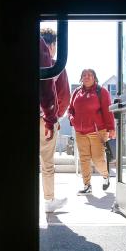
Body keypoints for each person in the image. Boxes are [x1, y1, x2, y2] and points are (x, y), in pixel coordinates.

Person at [68, 69, 116, 195]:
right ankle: (87, 186)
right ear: (81, 78)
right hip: (80, 132)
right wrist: (72, 120)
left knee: (98, 159)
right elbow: (70, 109)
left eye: (89, 75)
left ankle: (105, 175)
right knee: (84, 159)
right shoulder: (76, 92)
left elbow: (108, 111)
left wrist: (111, 129)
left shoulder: (101, 91)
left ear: (94, 77)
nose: (86, 77)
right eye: (84, 75)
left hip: (97, 131)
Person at [39, 30, 68, 213]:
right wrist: (54, 118)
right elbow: (63, 94)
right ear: (52, 45)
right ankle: (49, 200)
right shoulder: (56, 65)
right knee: (47, 161)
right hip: (46, 118)